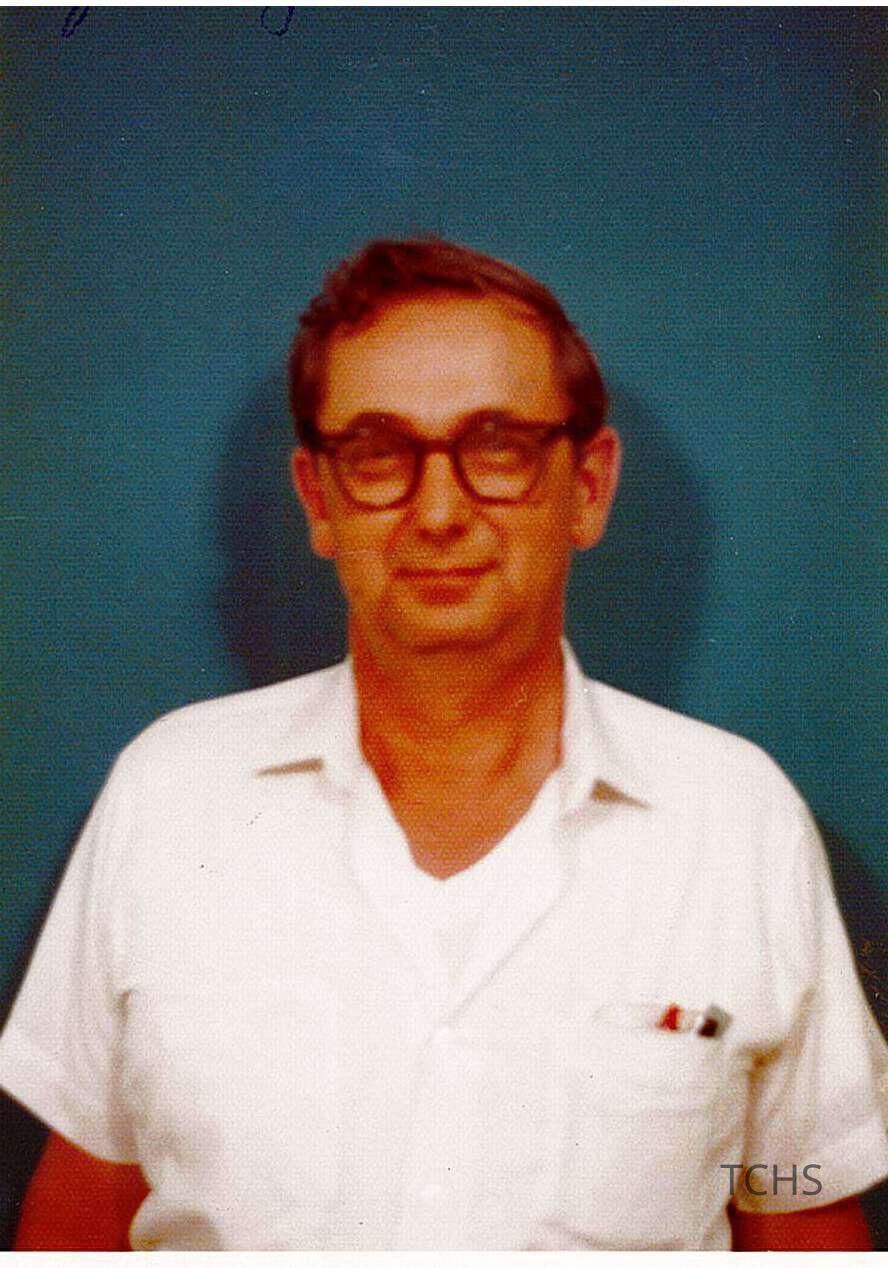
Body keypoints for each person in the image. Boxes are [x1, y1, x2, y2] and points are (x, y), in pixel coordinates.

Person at [2, 238, 885, 1251]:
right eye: (378, 454)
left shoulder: (736, 820)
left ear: (589, 486)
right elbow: (86, 1209)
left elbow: (793, 1205)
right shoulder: (170, 795)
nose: (436, 512)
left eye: (497, 446)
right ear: (319, 498)